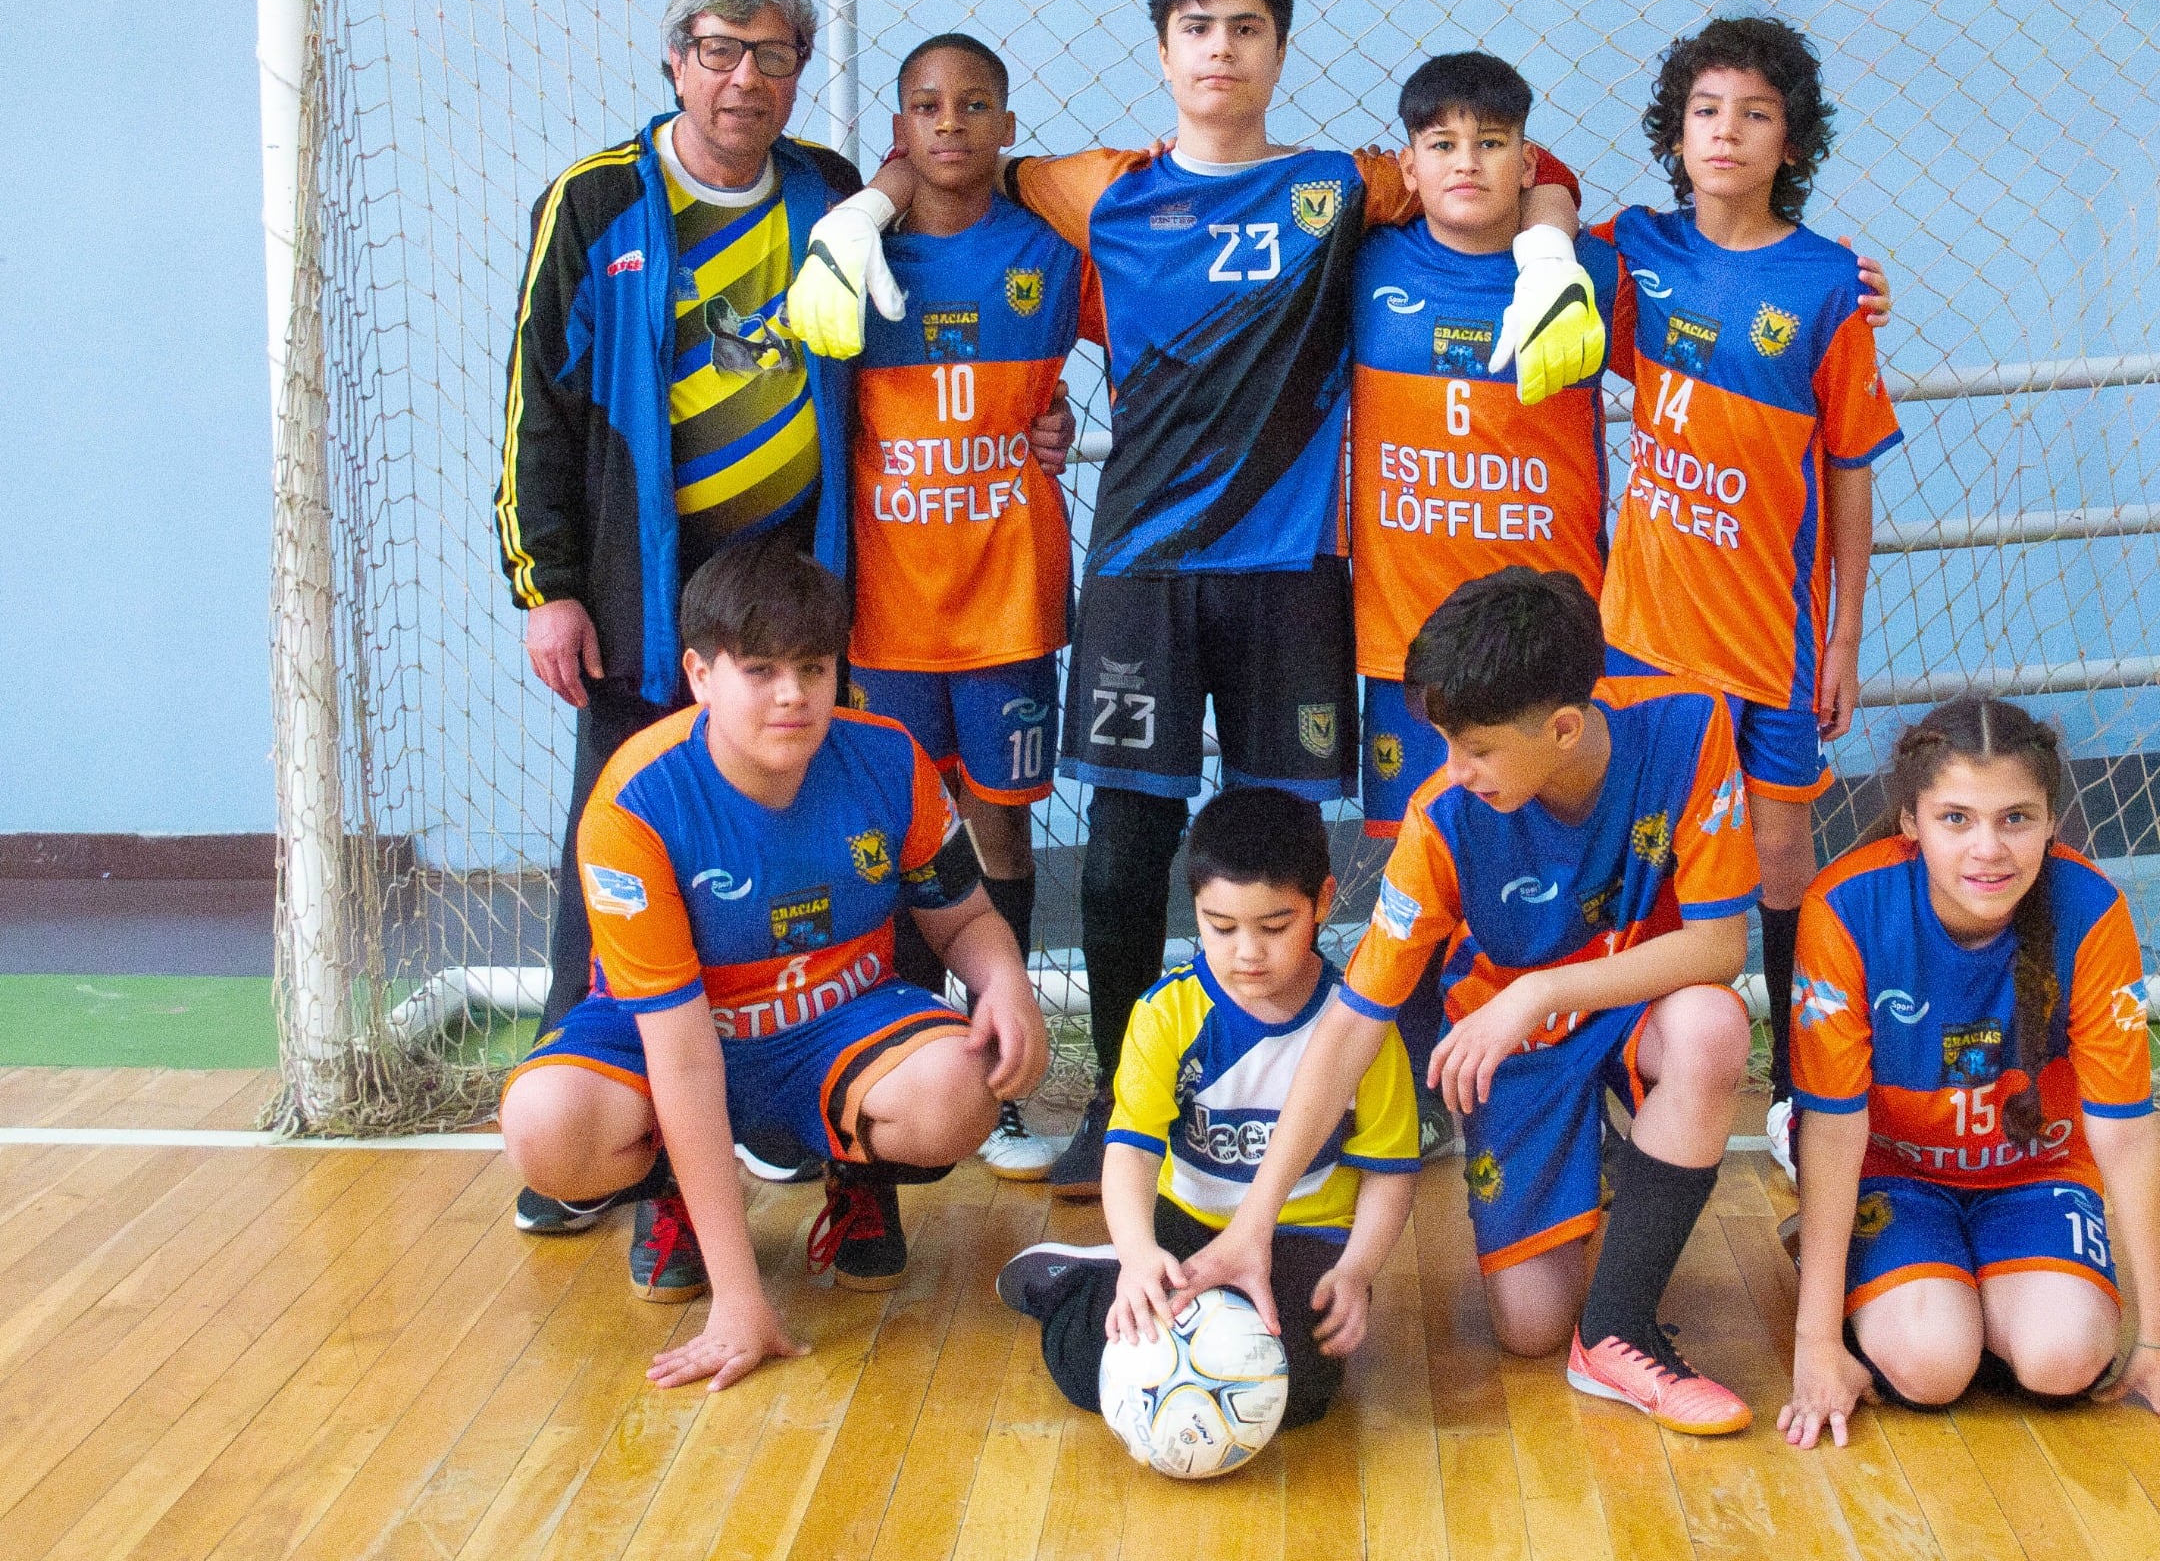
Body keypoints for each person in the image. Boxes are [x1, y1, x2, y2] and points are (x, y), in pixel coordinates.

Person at [788, 0, 1590, 1196]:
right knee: (1121, 847)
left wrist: (1547, 251)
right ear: (1164, 51)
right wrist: (863, 210)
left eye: (1247, 29)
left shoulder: (1345, 185)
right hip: (1144, 572)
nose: (1222, 50)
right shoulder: (1096, 187)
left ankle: (1294, 1097)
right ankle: (1125, 1104)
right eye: (1199, 29)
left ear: (1277, 50)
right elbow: (952, 157)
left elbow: (1515, 162)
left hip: (1289, 576)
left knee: (1280, 841)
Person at [1184, 567, 1764, 1432]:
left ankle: (1618, 1331)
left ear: (1564, 728)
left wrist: (1541, 989)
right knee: (1528, 1329)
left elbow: (1720, 948)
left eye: (1478, 749)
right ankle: (1612, 1182)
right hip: (1514, 1046)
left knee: (1713, 1025)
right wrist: (1253, 1222)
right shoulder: (1443, 819)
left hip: (1634, 1007)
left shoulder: (1688, 727)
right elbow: (1352, 1023)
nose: (1455, 770)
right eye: (1447, 744)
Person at [499, 535, 1048, 1391]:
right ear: (700, 674)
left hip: (835, 1023)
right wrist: (739, 1300)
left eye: (814, 669)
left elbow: (964, 918)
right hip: (672, 1037)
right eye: (760, 671)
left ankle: (854, 1172)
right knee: (546, 1125)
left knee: (962, 1087)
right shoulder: (633, 807)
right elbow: (681, 1055)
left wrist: (1006, 982)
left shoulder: (888, 760)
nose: (793, 697)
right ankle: (677, 1199)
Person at [495, 0, 865, 1230]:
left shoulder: (830, 191)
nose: (743, 78)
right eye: (718, 50)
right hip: (642, 594)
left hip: (797, 586)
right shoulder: (595, 202)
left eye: (770, 55)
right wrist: (547, 587)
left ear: (798, 70)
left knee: (801, 834)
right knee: (619, 843)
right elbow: (534, 409)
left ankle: (801, 1112)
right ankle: (594, 1123)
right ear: (675, 61)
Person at [1776, 695, 2160, 1447]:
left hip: (2033, 1172)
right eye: (1956, 818)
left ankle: (1976, 1293)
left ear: (2050, 820)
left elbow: (2125, 1135)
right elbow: (1835, 1133)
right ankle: (1854, 1262)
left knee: (2064, 1359)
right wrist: (1815, 1346)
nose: (1989, 849)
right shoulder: (1844, 908)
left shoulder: (2092, 911)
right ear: (1911, 821)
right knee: (1931, 1365)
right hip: (1891, 1170)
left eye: (2016, 818)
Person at [1594, 15, 1903, 1178]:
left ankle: (1790, 1094)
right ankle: (1613, 1076)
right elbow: (1536, 234)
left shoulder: (1829, 285)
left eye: (1756, 113)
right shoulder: (1634, 251)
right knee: (1637, 860)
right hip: (1641, 635)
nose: (1727, 131)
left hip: (1771, 638)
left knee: (1781, 869)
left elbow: (1849, 476)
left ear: (1791, 142)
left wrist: (1846, 640)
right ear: (1676, 132)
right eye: (1707, 109)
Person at [1346, 51, 1622, 1158]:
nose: (1469, 163)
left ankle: (1578, 1081)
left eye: (1493, 144)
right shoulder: (1362, 264)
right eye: (1443, 145)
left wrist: (1849, 290)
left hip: (1550, 646)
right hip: (1404, 644)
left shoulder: (1587, 269)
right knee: (1418, 863)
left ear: (1525, 157)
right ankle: (1421, 1086)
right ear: (1409, 163)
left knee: (1569, 866)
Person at [843, 31, 1086, 1181]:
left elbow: (1163, 342)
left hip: (1006, 609)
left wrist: (1081, 424)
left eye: (975, 104)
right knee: (899, 835)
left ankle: (998, 1080)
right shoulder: (853, 257)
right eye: (927, 107)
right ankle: (895, 1060)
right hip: (884, 613)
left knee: (996, 827)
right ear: (900, 129)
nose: (950, 124)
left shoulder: (1047, 254)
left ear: (1004, 128)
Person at [994, 787, 1419, 1431]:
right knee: (1091, 1368)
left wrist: (1356, 1272)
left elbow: (1390, 1170)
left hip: (1304, 1235)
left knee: (1296, 1392)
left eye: (1274, 927)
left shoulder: (1360, 1025)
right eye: (1220, 927)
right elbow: (1130, 1149)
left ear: (1324, 903)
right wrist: (1139, 1254)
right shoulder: (1167, 1013)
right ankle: (1076, 1281)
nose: (1246, 952)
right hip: (1186, 1223)